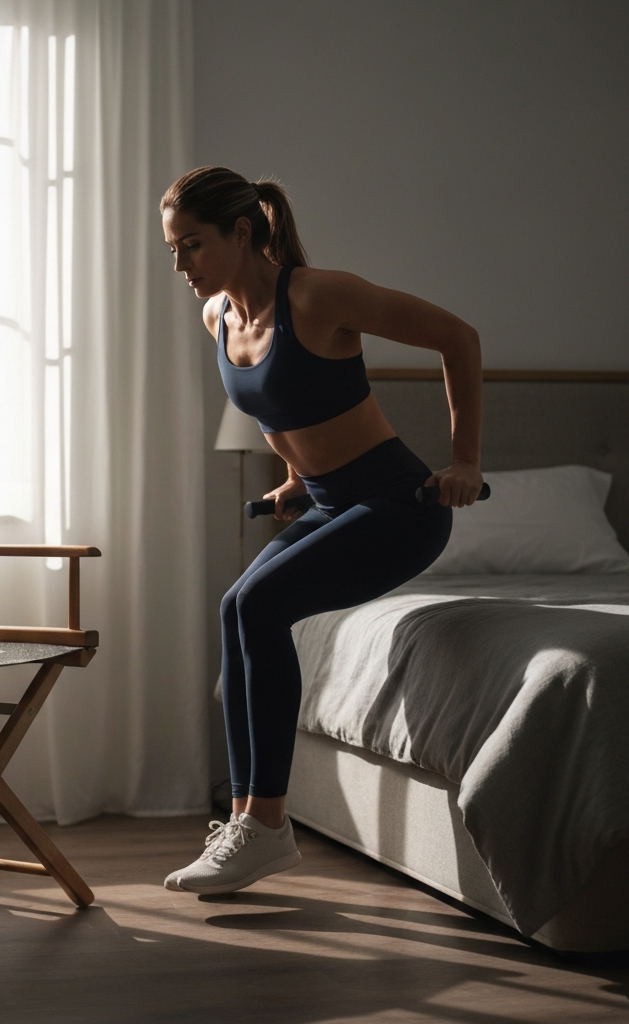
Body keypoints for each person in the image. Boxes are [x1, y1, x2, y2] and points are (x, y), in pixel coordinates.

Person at [161, 166, 483, 895]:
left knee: (258, 605)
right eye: (173, 249)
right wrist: (297, 477)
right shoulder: (216, 316)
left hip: (399, 505)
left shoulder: (315, 294)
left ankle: (267, 826)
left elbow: (457, 338)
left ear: (242, 233)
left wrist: (465, 460)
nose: (181, 265)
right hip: (330, 500)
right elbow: (280, 404)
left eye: (193, 245)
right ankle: (247, 821)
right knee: (234, 606)